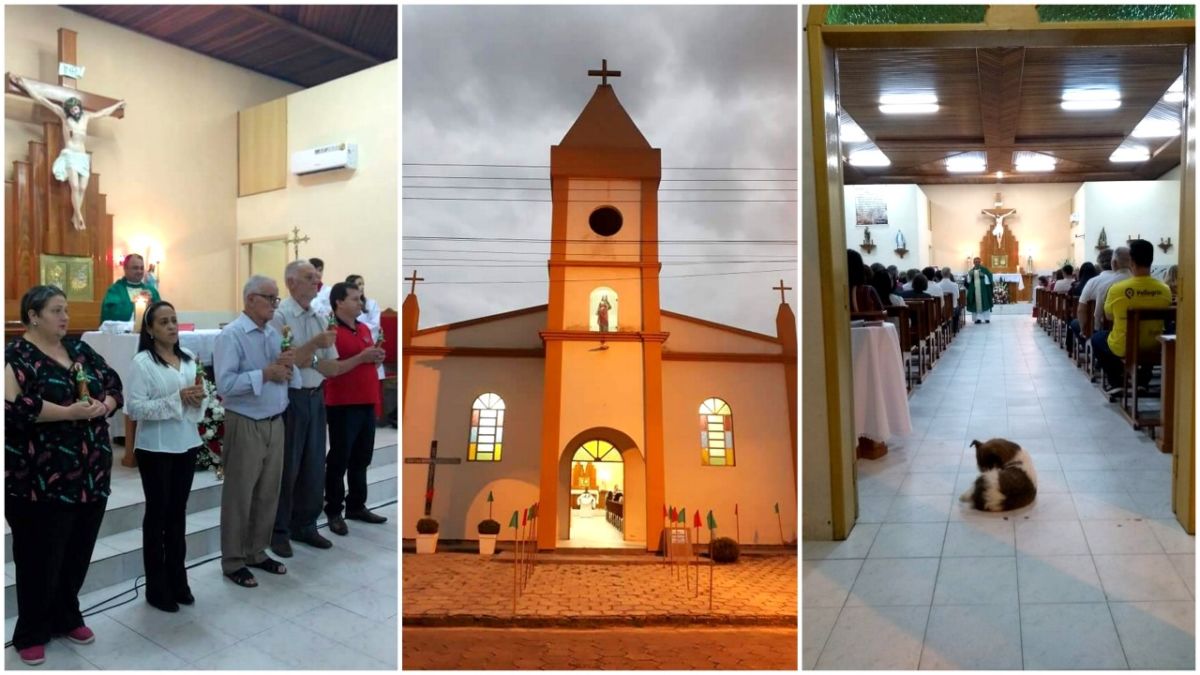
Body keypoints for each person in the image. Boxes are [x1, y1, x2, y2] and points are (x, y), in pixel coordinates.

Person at [5, 285, 123, 665]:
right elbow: (13, 408)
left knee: (77, 552)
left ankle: (66, 614)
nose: (65, 317)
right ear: (33, 315)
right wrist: (68, 412)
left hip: (89, 474)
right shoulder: (17, 356)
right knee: (39, 557)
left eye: (67, 310)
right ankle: (31, 631)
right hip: (40, 479)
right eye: (56, 310)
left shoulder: (79, 349)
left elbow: (113, 382)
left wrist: (104, 404)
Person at [213, 275, 299, 588]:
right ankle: (233, 559)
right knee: (240, 494)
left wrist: (288, 366)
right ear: (251, 299)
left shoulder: (273, 333)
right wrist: (265, 373)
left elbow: (288, 375)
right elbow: (226, 386)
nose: (276, 305)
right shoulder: (232, 336)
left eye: (277, 299)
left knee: (267, 492)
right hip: (245, 422)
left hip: (276, 421)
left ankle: (256, 551)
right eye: (271, 298)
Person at [125, 301, 208, 613]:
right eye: (163, 322)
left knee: (177, 515)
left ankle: (178, 579)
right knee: (158, 516)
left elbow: (201, 399)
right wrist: (178, 398)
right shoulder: (143, 363)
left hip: (186, 443)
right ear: (150, 329)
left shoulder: (188, 360)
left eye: (174, 320)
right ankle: (156, 587)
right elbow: (135, 408)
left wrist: (198, 398)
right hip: (156, 448)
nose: (171, 326)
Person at [9, 75, 125, 231]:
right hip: (70, 154)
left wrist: (118, 104)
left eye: (77, 107)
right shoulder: (63, 116)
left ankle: (75, 216)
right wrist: (23, 84)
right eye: (72, 108)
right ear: (69, 110)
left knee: (83, 188)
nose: (75, 109)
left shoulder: (86, 117)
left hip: (83, 157)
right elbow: (42, 99)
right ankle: (78, 215)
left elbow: (103, 112)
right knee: (75, 186)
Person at [323, 283, 389, 536]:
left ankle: (357, 505)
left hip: (366, 400)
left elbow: (366, 360)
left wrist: (375, 357)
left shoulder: (362, 329)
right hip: (343, 403)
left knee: (362, 457)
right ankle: (334, 510)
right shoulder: (331, 332)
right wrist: (363, 357)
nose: (360, 304)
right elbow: (333, 367)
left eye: (360, 299)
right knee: (340, 459)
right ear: (339, 302)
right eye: (355, 299)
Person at [1092, 240, 1172, 393]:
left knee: (1097, 339)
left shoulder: (1117, 289)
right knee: (1148, 335)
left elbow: (1108, 316)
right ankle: (1142, 380)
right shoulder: (1165, 290)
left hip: (1124, 345)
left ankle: (1116, 381)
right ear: (1151, 260)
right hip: (1155, 345)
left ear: (1131, 261)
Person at [100, 254, 162, 323]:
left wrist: (150, 304)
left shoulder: (152, 291)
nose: (139, 271)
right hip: (124, 333)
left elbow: (161, 314)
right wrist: (138, 305)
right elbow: (110, 314)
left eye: (141, 268)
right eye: (135, 268)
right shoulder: (115, 290)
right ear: (125, 268)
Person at [1089, 246, 1133, 331]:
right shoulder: (1142, 283)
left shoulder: (1105, 286)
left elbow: (1098, 317)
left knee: (1095, 338)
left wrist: (1096, 329)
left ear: (1114, 263)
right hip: (1147, 338)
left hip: (1115, 335)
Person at [965, 257, 994, 324]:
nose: (977, 263)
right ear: (973, 263)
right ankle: (978, 319)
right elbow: (969, 281)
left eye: (978, 262)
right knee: (975, 303)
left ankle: (987, 318)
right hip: (974, 290)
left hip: (984, 290)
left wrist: (983, 275)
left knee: (985, 302)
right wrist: (970, 275)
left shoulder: (984, 269)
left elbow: (989, 275)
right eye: (975, 262)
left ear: (980, 262)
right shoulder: (971, 270)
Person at [938, 268, 961, 332]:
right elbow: (958, 297)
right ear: (949, 274)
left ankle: (943, 327)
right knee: (958, 308)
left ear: (941, 274)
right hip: (952, 309)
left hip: (941, 310)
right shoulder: (954, 285)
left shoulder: (938, 285)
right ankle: (954, 328)